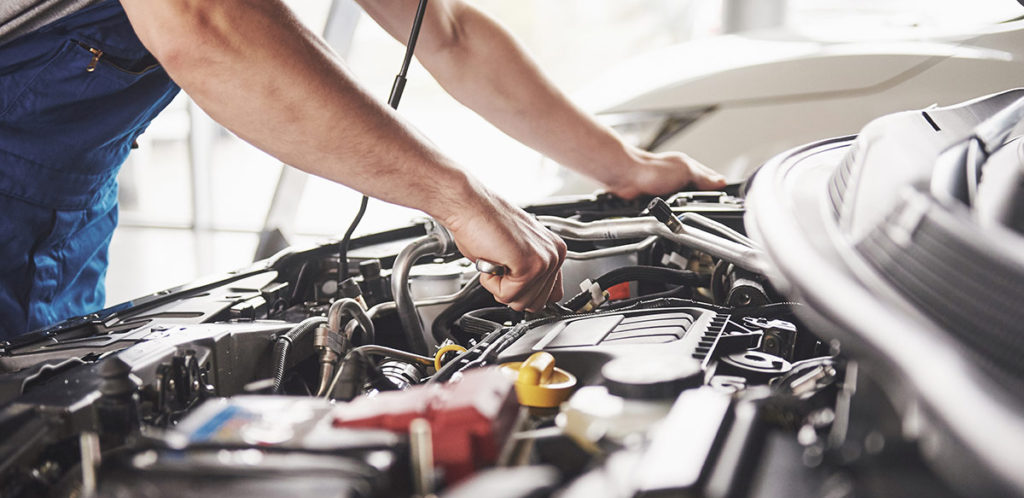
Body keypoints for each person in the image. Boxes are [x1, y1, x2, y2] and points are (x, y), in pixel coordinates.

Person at [0, 0, 725, 340]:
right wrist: (458, 198)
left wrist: (627, 168)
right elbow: (203, 21)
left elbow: (448, 33)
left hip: (60, 209)